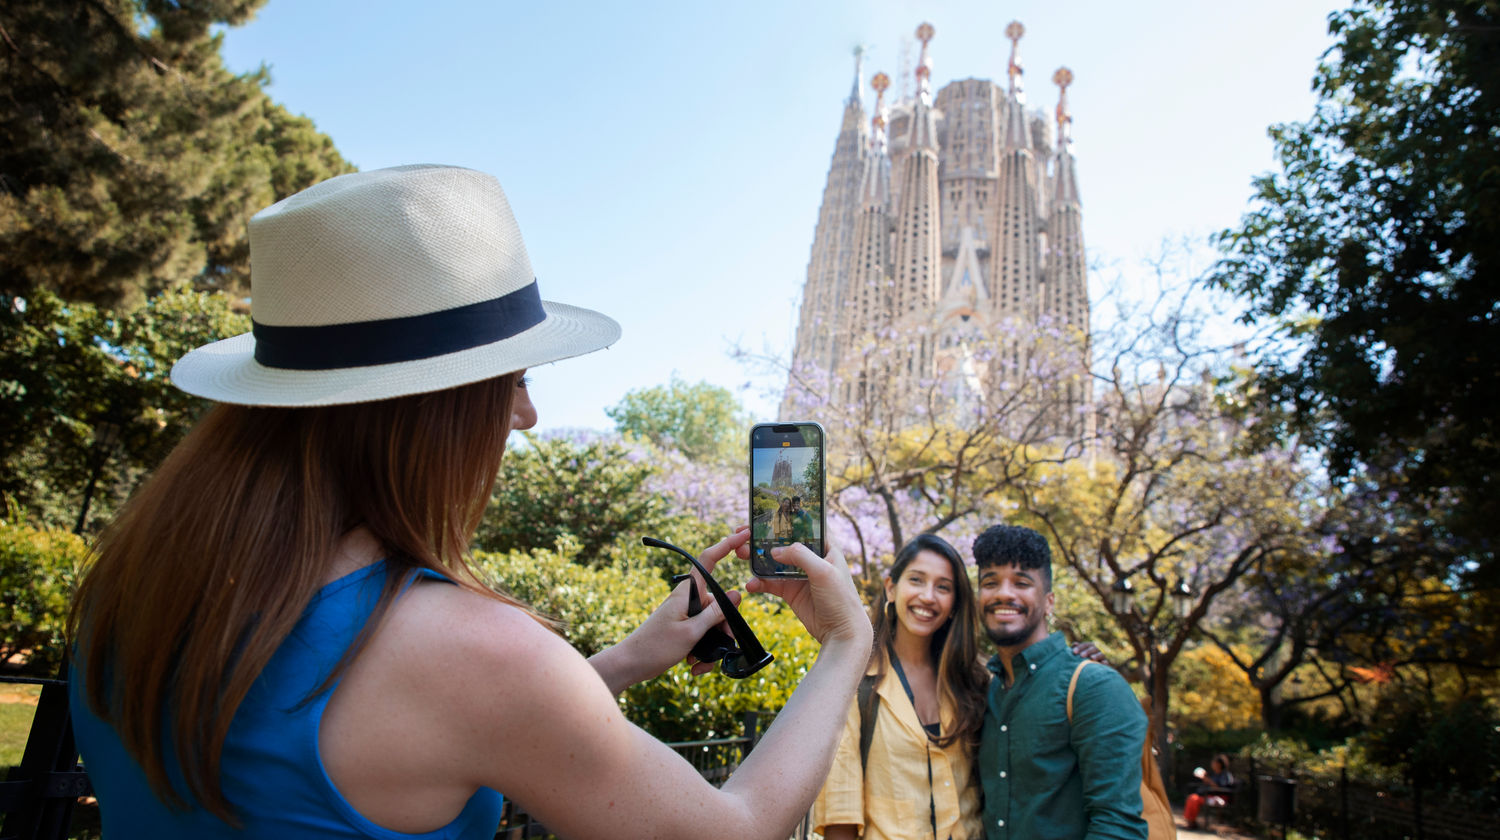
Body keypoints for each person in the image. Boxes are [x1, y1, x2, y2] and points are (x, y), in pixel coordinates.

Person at [66, 164, 872, 839]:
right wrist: (844, 642)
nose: (526, 415)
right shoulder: (469, 650)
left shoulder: (130, 592)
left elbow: (390, 737)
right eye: (515, 381)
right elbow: (734, 828)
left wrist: (623, 662)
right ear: (430, 407)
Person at [975, 524, 1148, 840]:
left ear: (1049, 602)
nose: (1003, 593)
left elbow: (1117, 827)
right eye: (990, 582)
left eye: (1021, 582)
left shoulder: (1094, 687)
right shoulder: (988, 692)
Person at [813, 534, 988, 840]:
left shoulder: (975, 679)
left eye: (943, 587)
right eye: (917, 580)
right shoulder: (854, 681)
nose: (928, 596)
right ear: (891, 588)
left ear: (955, 603)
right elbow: (840, 815)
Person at [1183, 753, 1235, 829]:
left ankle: (1191, 822)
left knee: (1193, 799)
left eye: (1214, 762)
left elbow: (1219, 788)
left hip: (1219, 798)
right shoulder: (1214, 774)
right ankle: (1191, 821)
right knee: (1192, 797)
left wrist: (1206, 779)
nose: (1212, 764)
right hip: (1208, 796)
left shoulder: (1225, 775)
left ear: (1219, 764)